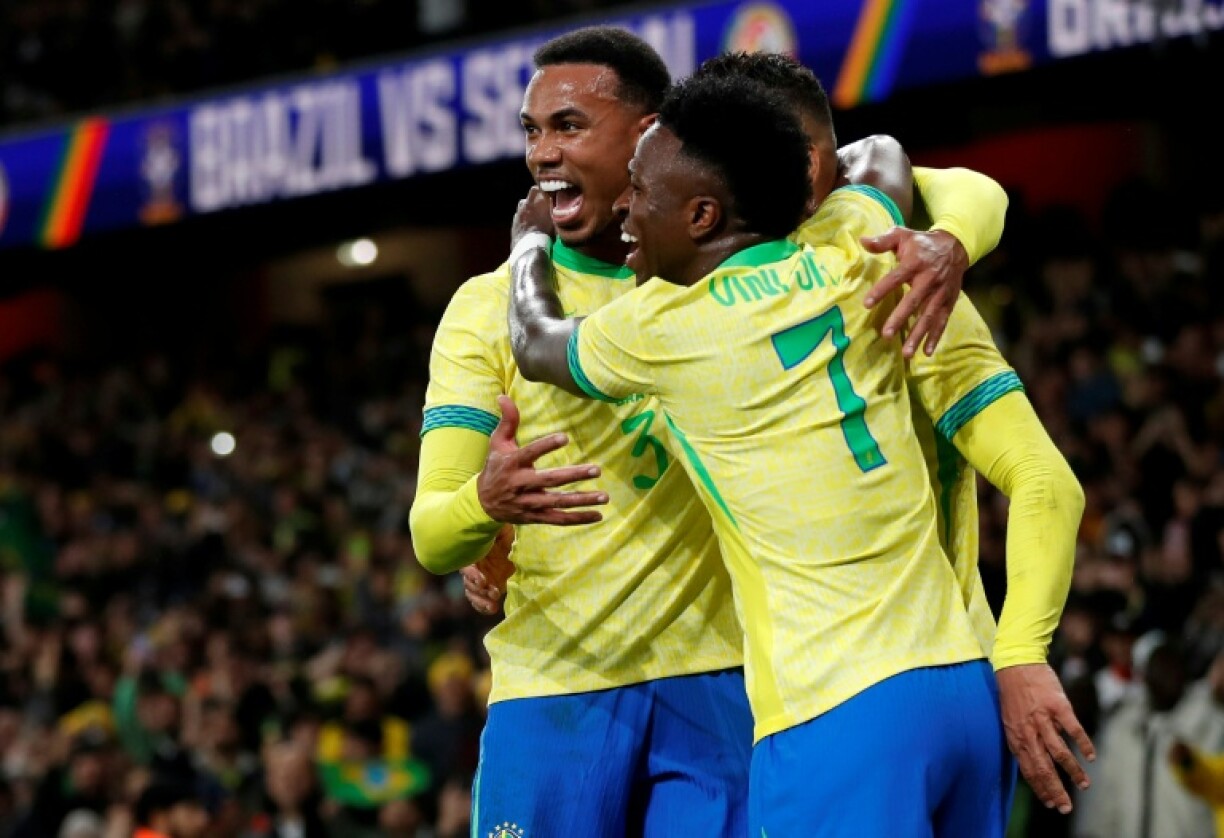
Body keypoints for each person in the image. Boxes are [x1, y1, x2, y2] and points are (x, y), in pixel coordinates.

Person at [409, 25, 1010, 837]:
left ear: (651, 133)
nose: (542, 154)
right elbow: (432, 534)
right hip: (556, 687)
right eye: (532, 130)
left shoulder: (691, 289)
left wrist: (951, 242)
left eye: (569, 126)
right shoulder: (479, 310)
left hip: (723, 682)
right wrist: (484, 505)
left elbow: (540, 341)